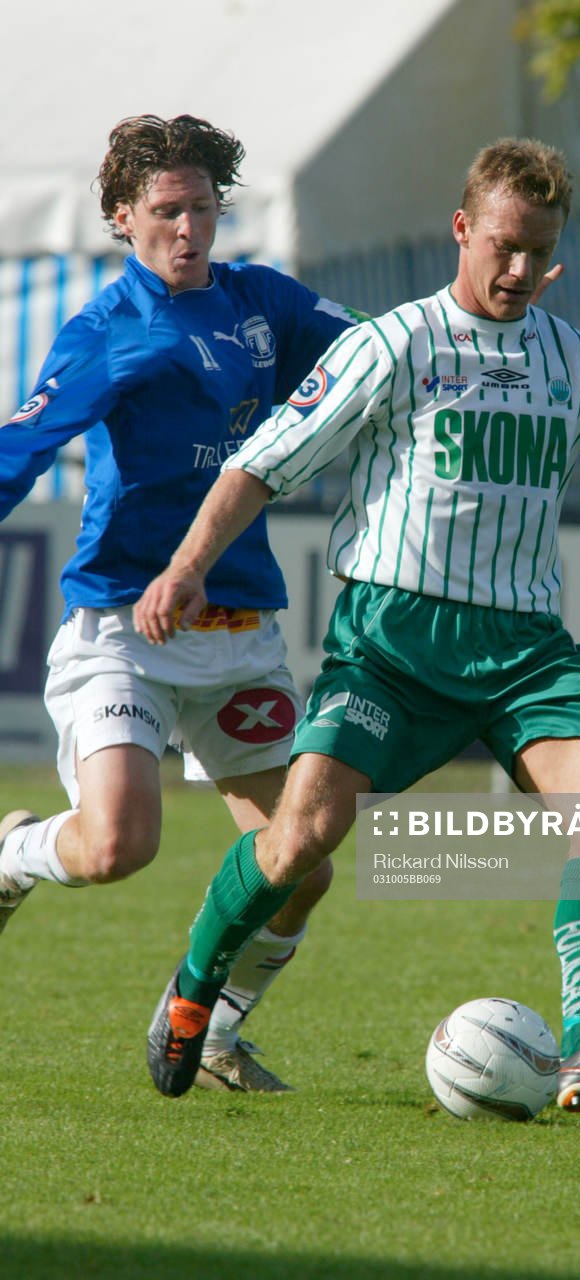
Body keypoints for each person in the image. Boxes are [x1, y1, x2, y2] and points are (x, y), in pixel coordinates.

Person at [133, 138, 580, 1108]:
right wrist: (186, 565)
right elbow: (263, 461)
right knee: (300, 843)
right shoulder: (394, 345)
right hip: (391, 647)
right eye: (502, 245)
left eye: (537, 254)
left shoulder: (577, 361)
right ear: (463, 229)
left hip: (526, 653)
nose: (517, 271)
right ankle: (194, 989)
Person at [0, 113, 369, 1092]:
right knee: (118, 841)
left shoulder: (265, 304)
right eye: (166, 210)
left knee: (305, 861)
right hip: (125, 626)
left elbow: (378, 360)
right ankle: (14, 853)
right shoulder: (104, 333)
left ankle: (213, 1025)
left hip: (240, 627)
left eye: (202, 207)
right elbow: (19, 448)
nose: (188, 228)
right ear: (122, 217)